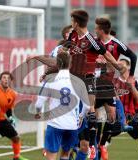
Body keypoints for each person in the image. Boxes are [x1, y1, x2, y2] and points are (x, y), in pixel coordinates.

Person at [27, 9, 126, 160]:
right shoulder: (73, 36)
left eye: (72, 20)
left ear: (76, 22)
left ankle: (92, 145)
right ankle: (73, 143)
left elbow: (105, 53)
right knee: (73, 127)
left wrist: (117, 65)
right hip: (71, 81)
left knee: (90, 110)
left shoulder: (92, 40)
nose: (71, 23)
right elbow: (62, 59)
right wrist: (47, 69)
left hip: (87, 81)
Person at [94, 17, 137, 159]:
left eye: (96, 28)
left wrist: (131, 76)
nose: (94, 30)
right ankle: (94, 146)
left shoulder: (116, 44)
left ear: (101, 30)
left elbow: (133, 56)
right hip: (92, 81)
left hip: (107, 82)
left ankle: (100, 145)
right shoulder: (94, 42)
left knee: (109, 117)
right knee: (92, 116)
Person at [34, 51, 90, 160]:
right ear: (70, 64)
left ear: (57, 64)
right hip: (72, 126)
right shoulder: (79, 81)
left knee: (51, 156)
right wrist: (81, 117)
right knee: (65, 154)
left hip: (55, 124)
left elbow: (39, 102)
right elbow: (87, 106)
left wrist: (38, 112)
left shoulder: (50, 80)